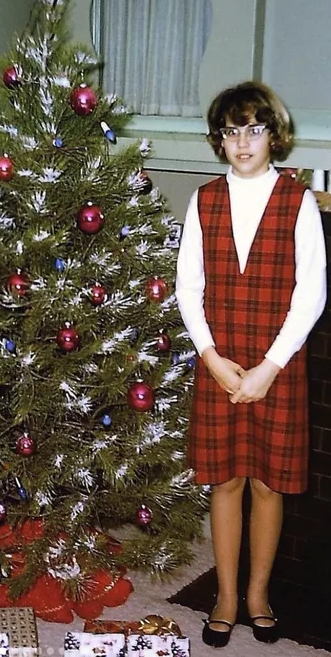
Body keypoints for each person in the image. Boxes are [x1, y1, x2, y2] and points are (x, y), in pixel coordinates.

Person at [176, 81, 326, 648]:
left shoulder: (297, 201)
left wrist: (268, 367)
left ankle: (259, 594)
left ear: (273, 136)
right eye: (231, 132)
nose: (243, 142)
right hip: (220, 361)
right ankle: (226, 596)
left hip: (276, 365)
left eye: (254, 130)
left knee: (268, 484)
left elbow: (310, 294)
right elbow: (189, 287)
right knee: (226, 481)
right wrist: (212, 358)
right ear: (220, 140)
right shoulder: (205, 200)